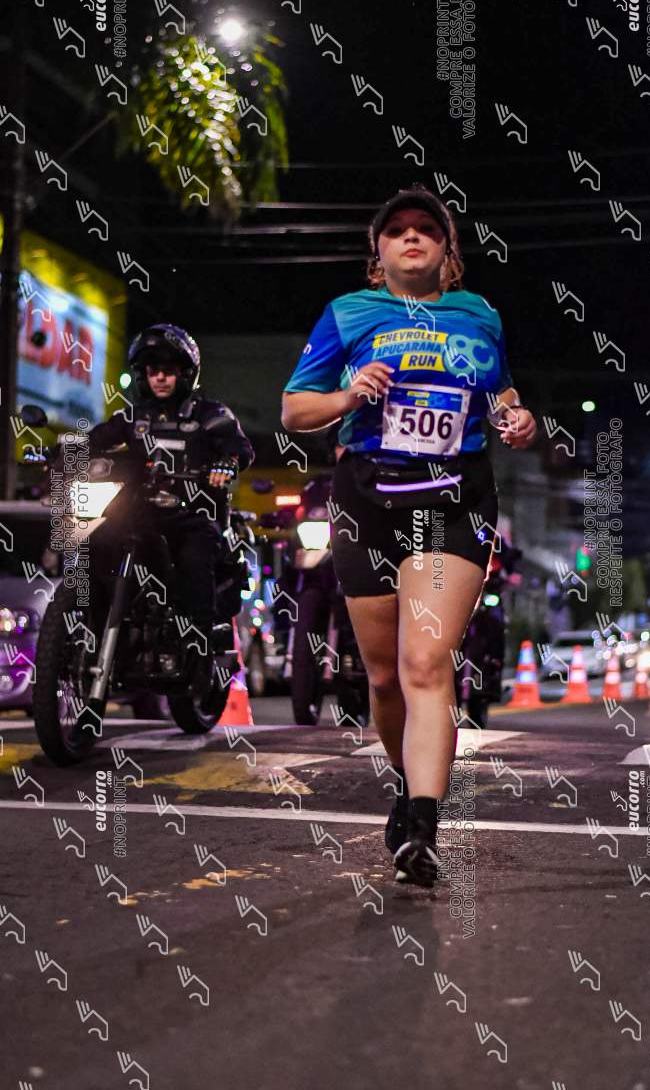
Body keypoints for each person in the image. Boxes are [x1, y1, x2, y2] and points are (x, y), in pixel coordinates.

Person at [281, 184, 537, 887]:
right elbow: (295, 410)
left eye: (428, 227)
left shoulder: (479, 313)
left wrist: (517, 419)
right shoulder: (348, 313)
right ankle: (405, 781)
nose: (413, 236)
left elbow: (501, 394)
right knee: (384, 675)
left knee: (425, 662)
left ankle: (424, 824)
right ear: (379, 252)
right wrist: (348, 395)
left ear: (447, 250)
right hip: (368, 499)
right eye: (398, 230)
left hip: (455, 500)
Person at [84, 324, 255, 652]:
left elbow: (239, 449)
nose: (160, 378)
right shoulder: (133, 418)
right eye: (153, 371)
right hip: (138, 514)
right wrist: (59, 453)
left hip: (194, 517)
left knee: (194, 560)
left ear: (185, 373)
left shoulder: (209, 414)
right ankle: (92, 632)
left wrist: (226, 463)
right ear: (143, 376)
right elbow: (94, 440)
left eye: (168, 370)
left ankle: (197, 646)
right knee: (93, 543)